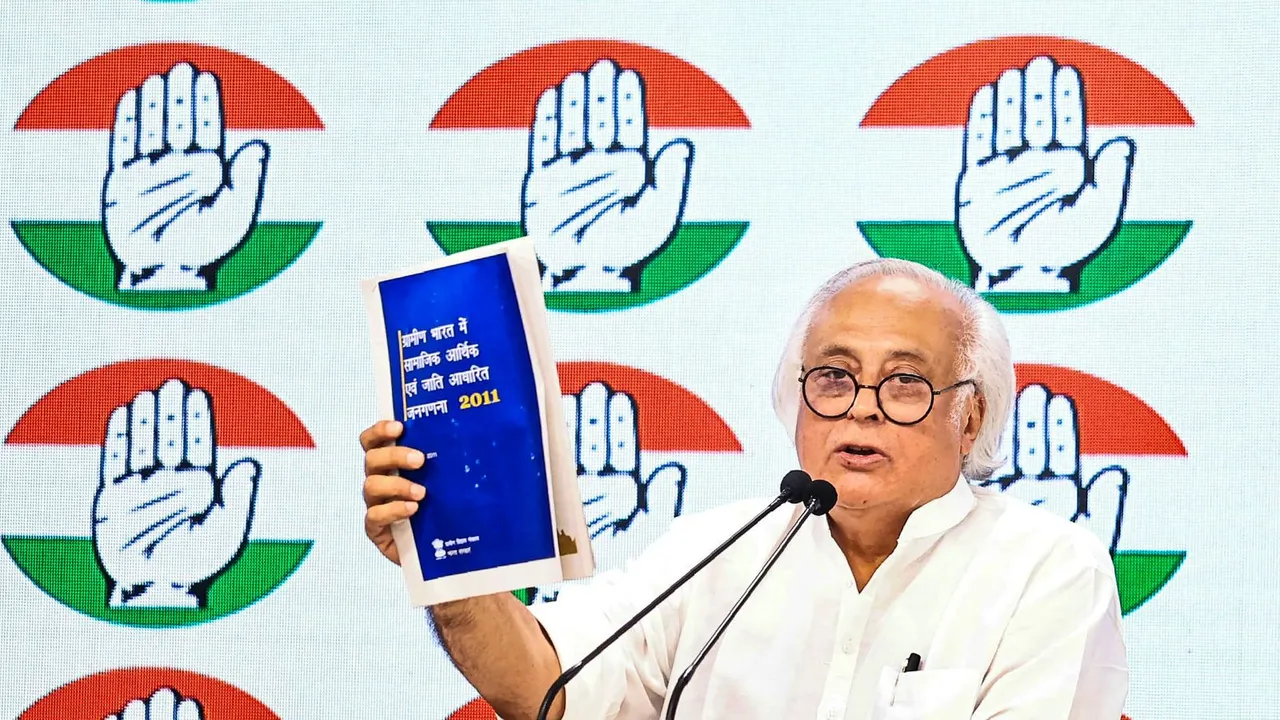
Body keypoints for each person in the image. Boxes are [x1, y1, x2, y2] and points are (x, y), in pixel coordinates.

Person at [361, 258, 1127, 720]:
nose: (860, 405)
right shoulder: (718, 552)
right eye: (833, 377)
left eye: (903, 382)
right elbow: (547, 687)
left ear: (972, 416)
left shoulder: (1047, 571)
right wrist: (449, 568)